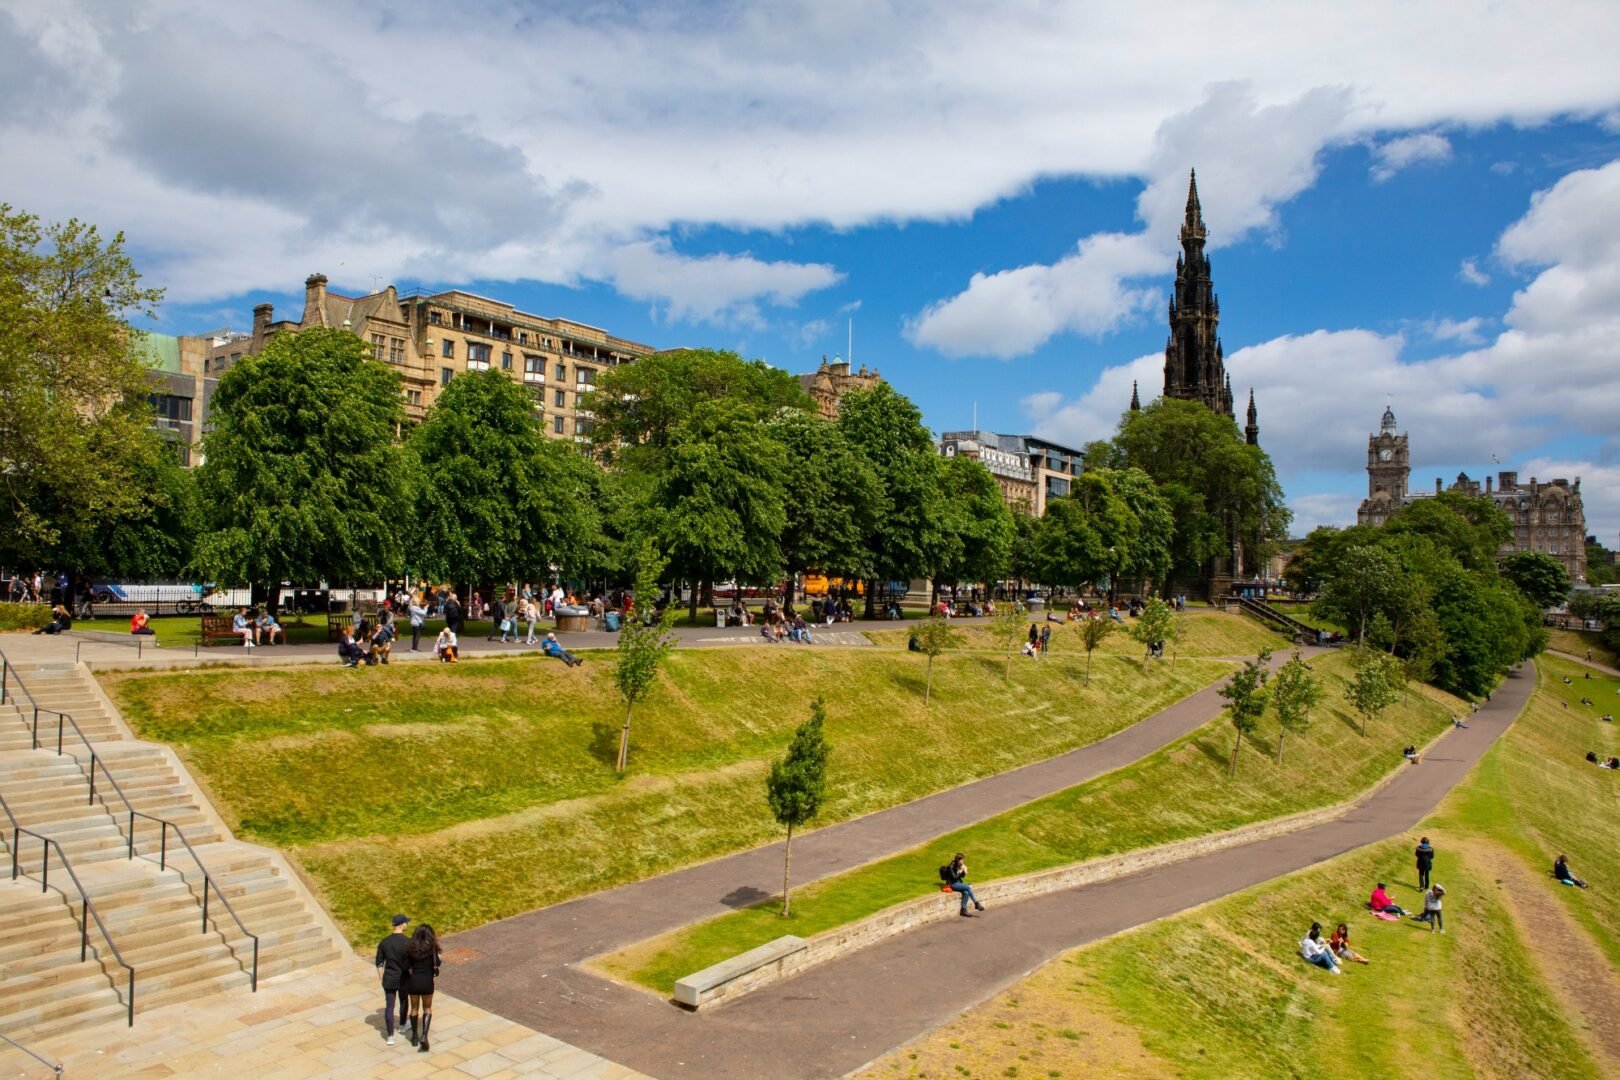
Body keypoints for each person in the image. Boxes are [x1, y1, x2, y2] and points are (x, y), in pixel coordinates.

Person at [375, 914, 412, 1045]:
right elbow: (411, 962)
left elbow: (379, 963)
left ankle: (390, 1036)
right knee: (403, 1000)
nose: (407, 924)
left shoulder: (384, 942)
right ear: (401, 925)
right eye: (406, 923)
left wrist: (381, 977)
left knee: (389, 1006)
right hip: (403, 977)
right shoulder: (408, 942)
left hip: (389, 978)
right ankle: (402, 1026)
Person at [404, 923, 441, 1051]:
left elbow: (405, 965)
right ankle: (424, 1035)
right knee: (427, 1008)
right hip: (427, 982)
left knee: (414, 1008)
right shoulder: (431, 948)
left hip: (414, 981)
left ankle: (414, 1036)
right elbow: (438, 963)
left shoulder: (410, 947)